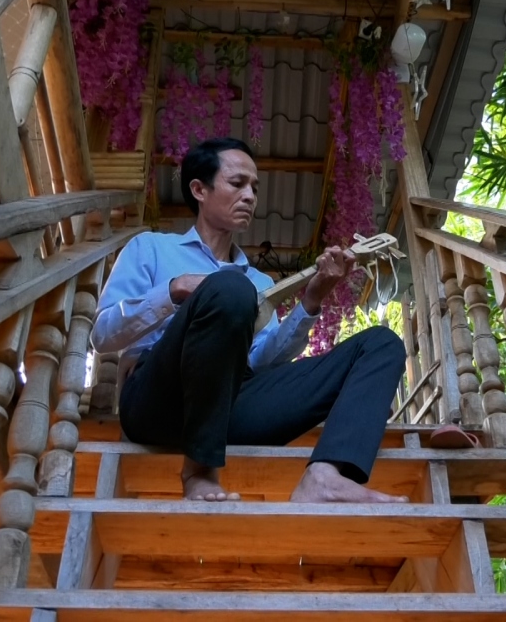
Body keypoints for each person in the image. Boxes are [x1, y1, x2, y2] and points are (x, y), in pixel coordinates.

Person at [91, 137, 408, 503]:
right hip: (157, 404)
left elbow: (262, 362)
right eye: (237, 183)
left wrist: (312, 299)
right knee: (230, 289)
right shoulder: (149, 248)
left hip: (232, 406)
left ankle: (325, 476)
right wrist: (174, 290)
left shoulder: (257, 282)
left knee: (382, 344)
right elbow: (103, 335)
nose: (250, 197)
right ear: (199, 189)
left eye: (254, 188)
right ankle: (199, 470)